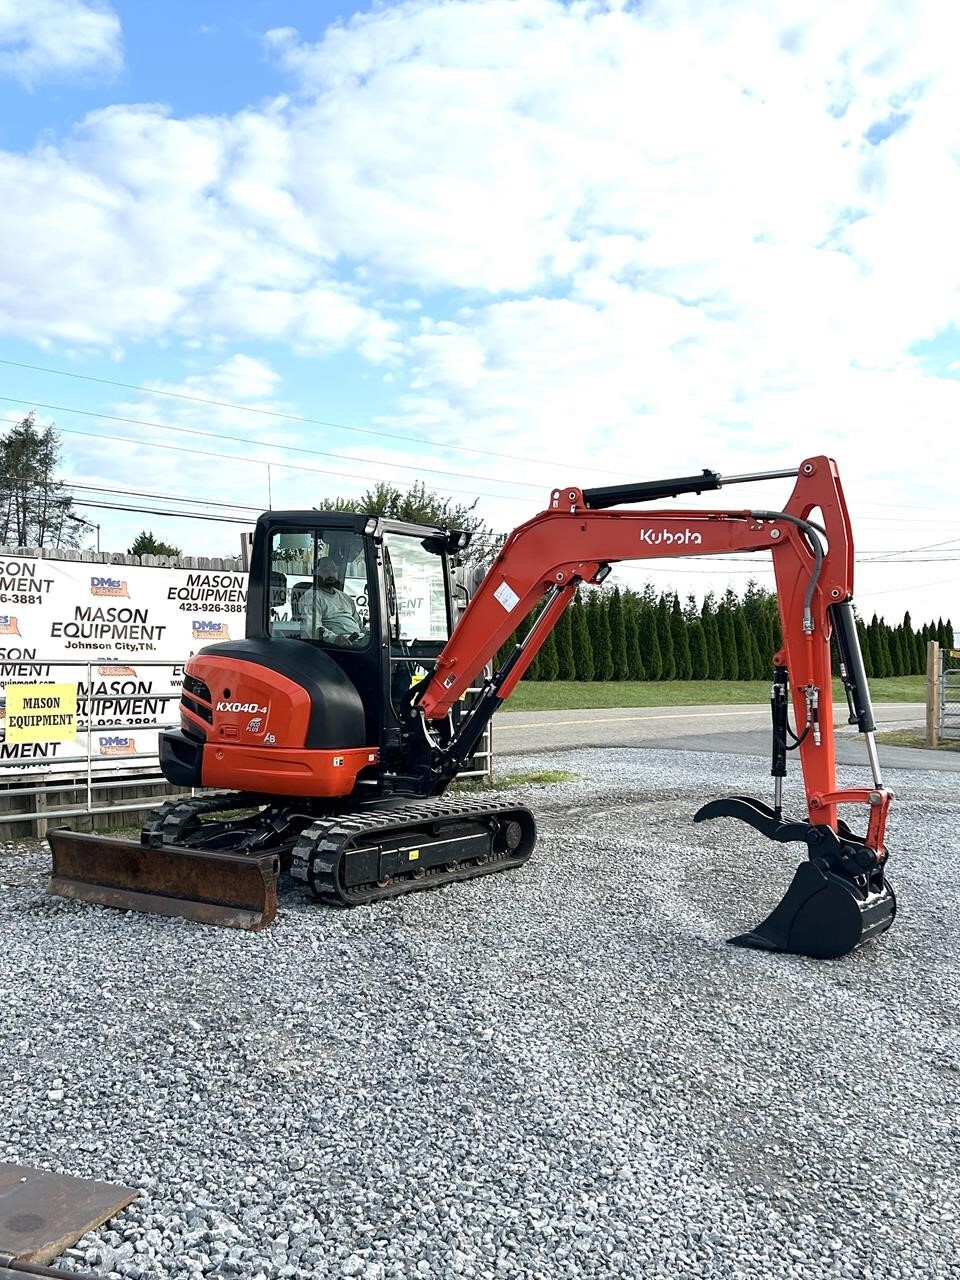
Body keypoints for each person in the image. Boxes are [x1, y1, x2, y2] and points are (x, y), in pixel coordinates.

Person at [299, 559, 366, 645]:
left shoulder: (345, 597)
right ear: (315, 573)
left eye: (334, 570)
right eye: (326, 570)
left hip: (359, 639)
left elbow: (359, 623)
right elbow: (312, 627)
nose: (331, 574)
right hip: (340, 645)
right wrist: (335, 639)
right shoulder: (312, 596)